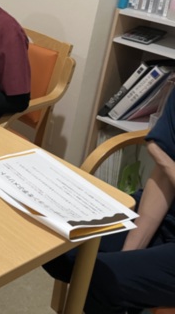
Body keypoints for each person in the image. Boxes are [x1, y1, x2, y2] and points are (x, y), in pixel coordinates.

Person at [43, 90, 175, 313]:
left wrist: (165, 159)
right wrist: (130, 252)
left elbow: (165, 158)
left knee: (100, 279)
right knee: (60, 245)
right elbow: (162, 175)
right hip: (166, 215)